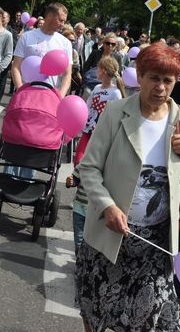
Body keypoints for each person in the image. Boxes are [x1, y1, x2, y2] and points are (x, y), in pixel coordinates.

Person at [76, 44, 180, 332]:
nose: (160, 87)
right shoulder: (115, 112)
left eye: (167, 81)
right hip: (111, 236)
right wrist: (107, 206)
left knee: (146, 319)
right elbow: (90, 167)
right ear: (140, 76)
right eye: (154, 78)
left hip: (155, 243)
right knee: (96, 313)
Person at [66, 56, 125, 253]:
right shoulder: (97, 89)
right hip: (89, 129)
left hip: (102, 133)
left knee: (91, 162)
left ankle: (87, 193)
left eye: (99, 69)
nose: (96, 72)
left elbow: (115, 115)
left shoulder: (116, 93)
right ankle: (80, 186)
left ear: (105, 71)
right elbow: (87, 107)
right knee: (79, 158)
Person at [11, 2, 72, 97]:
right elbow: (16, 66)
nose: (62, 25)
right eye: (60, 20)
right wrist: (20, 89)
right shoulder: (26, 37)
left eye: (64, 21)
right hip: (26, 94)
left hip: (49, 97)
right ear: (50, 16)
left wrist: (60, 96)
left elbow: (67, 74)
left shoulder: (65, 43)